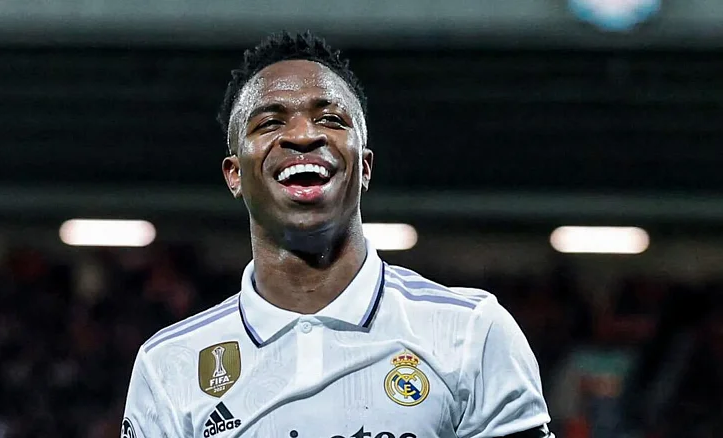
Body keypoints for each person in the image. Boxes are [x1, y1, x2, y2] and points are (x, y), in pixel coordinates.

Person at [122, 31, 553, 438]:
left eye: (329, 118)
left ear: (364, 166)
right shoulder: (169, 365)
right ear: (234, 174)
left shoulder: (472, 332)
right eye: (269, 122)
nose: (303, 135)